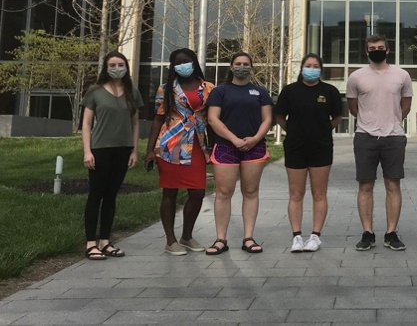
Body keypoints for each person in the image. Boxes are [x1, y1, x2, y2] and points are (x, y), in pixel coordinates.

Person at [346, 35, 413, 251]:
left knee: (393, 185)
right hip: (365, 136)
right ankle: (367, 233)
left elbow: (406, 106)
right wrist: (370, 121)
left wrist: (391, 121)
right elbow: (353, 107)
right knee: (365, 185)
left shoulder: (402, 75)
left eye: (380, 47)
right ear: (366, 51)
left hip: (394, 137)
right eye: (372, 48)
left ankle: (391, 232)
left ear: (388, 49)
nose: (377, 50)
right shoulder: (356, 77)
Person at [145, 48, 213, 256]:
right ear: (173, 67)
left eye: (187, 61)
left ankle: (186, 236)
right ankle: (170, 240)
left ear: (194, 62)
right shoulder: (166, 89)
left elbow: (213, 117)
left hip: (197, 146)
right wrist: (149, 150)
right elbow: (157, 119)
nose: (183, 65)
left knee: (198, 192)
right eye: (178, 62)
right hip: (170, 146)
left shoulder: (208, 87)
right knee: (170, 192)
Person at [205, 52, 273, 255]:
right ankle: (220, 239)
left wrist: (254, 139)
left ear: (251, 67)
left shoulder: (260, 92)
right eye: (238, 63)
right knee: (224, 193)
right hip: (226, 147)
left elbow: (267, 119)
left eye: (246, 63)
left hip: (255, 148)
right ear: (231, 67)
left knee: (250, 192)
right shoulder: (220, 91)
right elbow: (213, 119)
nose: (242, 66)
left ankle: (248, 238)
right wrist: (234, 139)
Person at [275, 53, 342, 252]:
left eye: (315, 66)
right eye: (308, 65)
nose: (311, 68)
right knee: (296, 193)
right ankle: (297, 236)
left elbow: (337, 117)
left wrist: (321, 130)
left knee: (319, 193)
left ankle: (315, 236)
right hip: (295, 147)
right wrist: (294, 131)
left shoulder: (329, 91)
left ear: (320, 69)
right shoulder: (290, 91)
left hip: (321, 148)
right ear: (302, 68)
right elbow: (279, 116)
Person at [81, 51, 144, 260]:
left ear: (126, 66)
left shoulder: (131, 92)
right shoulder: (95, 92)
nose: (117, 67)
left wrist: (134, 150)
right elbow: (87, 124)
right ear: (106, 67)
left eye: (120, 64)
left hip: (123, 149)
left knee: (111, 196)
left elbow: (135, 123)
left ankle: (105, 241)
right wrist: (87, 151)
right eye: (112, 64)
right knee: (95, 195)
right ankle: (91, 243)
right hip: (100, 150)